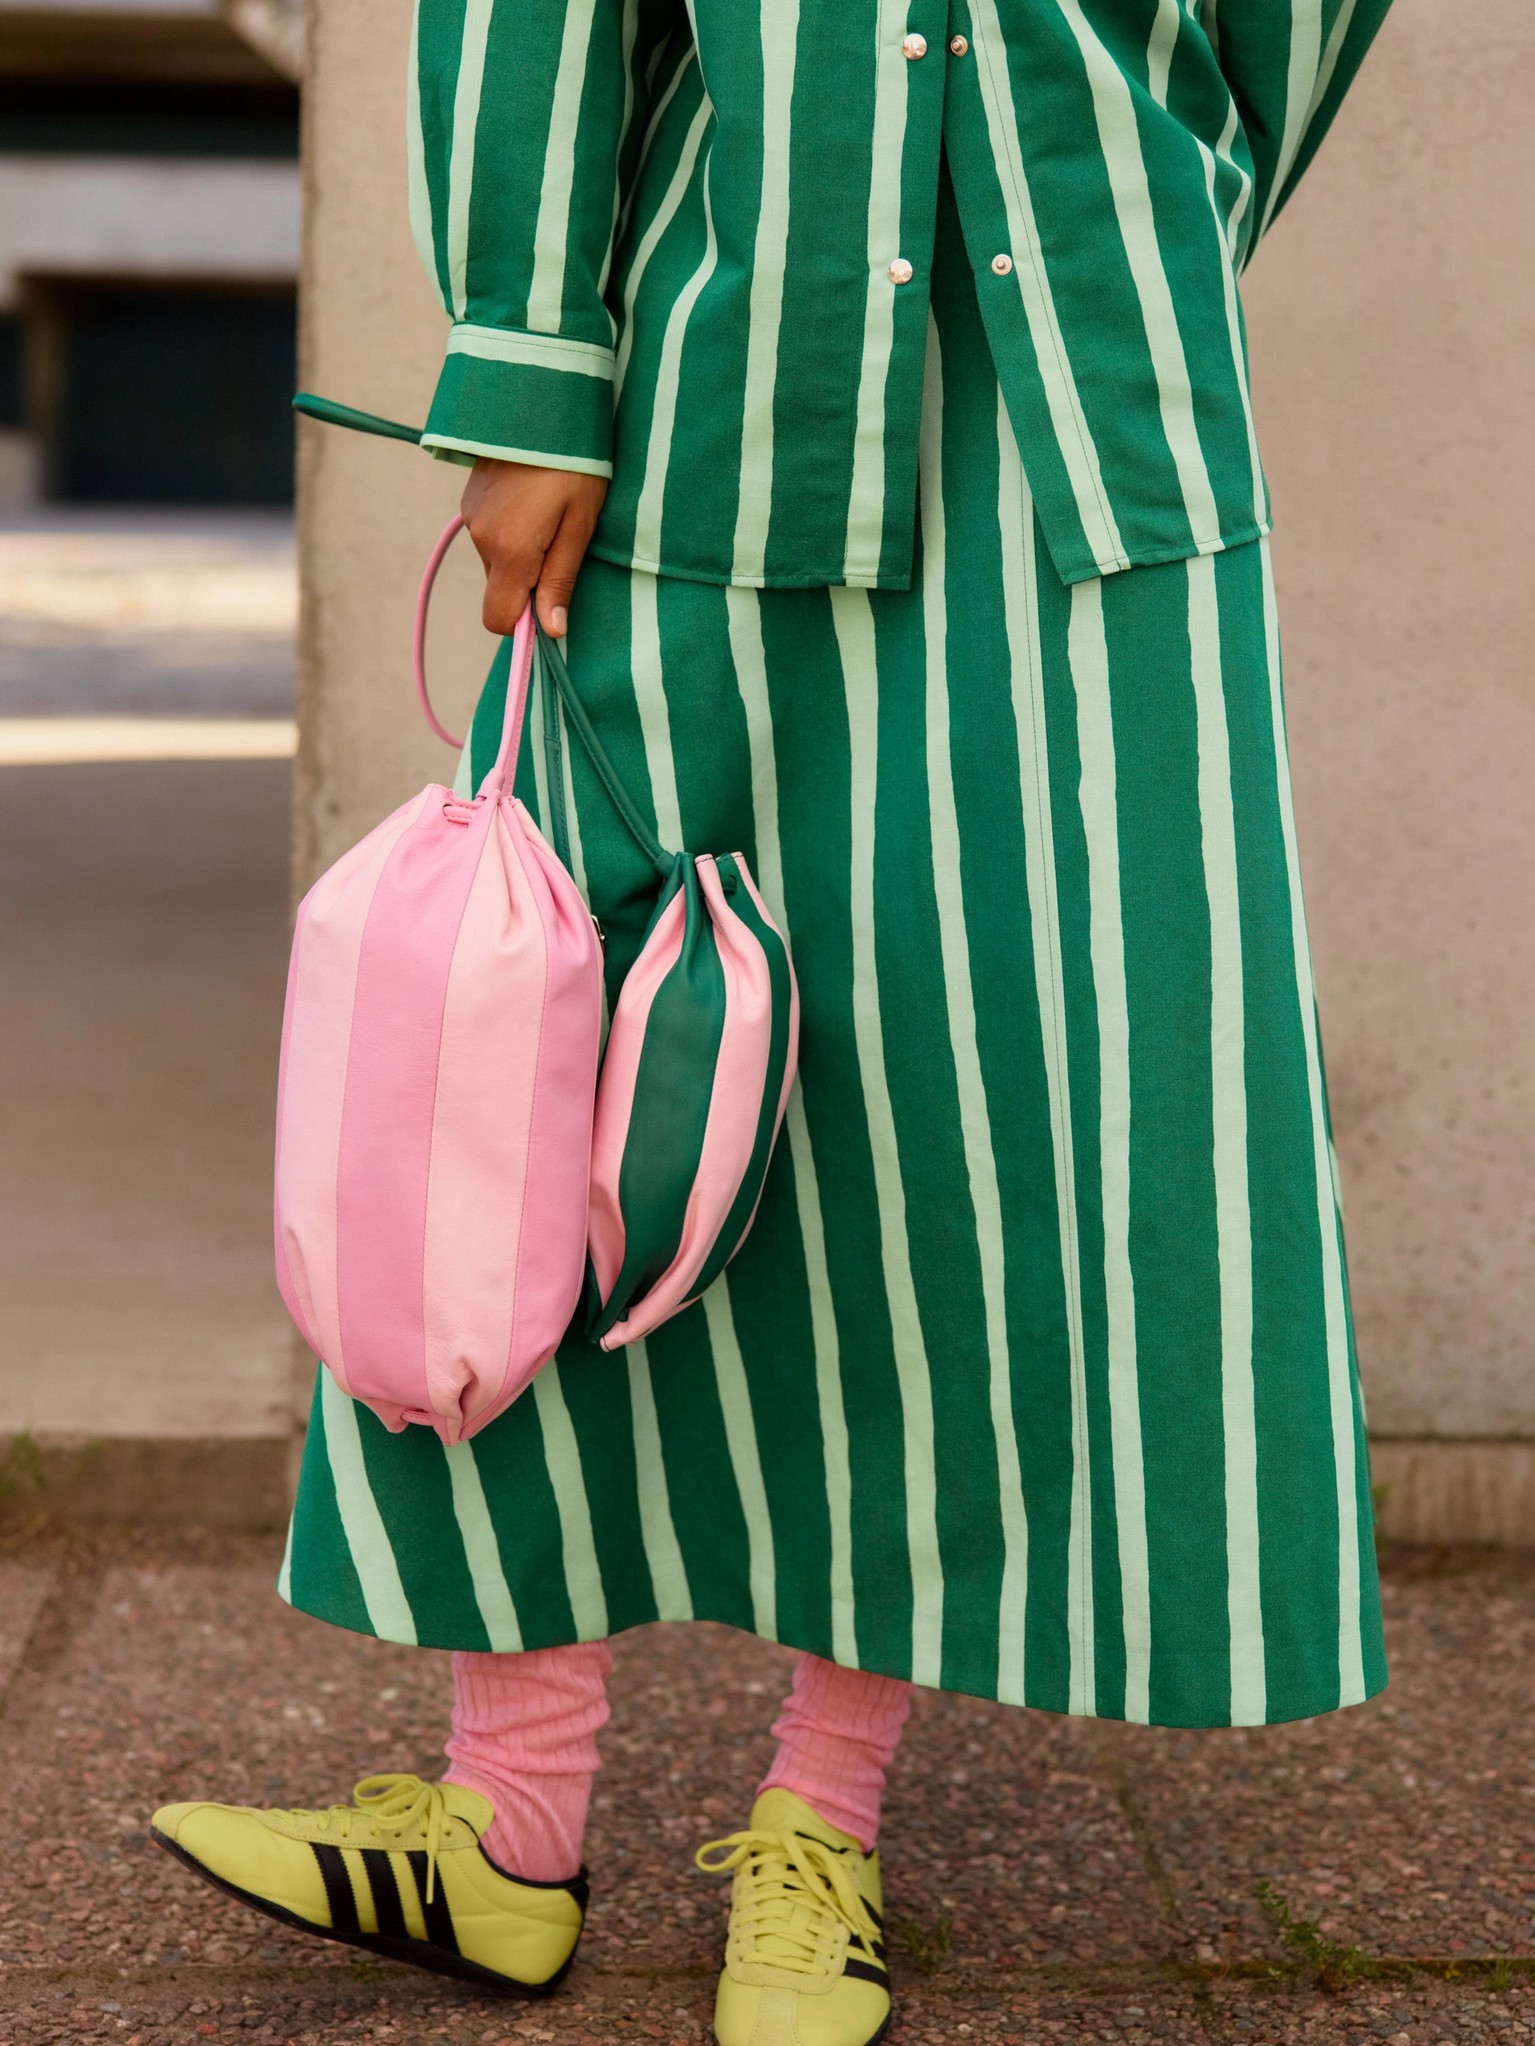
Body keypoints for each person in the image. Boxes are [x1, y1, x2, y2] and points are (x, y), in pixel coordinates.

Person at [150, 3, 1398, 2040]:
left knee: (962, 1096)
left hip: (1086, 393)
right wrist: (532, 368)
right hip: (708, 374)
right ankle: (506, 1819)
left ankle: (823, 1823)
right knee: (538, 1076)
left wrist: (1180, 171)